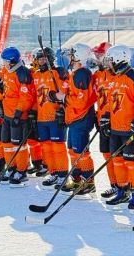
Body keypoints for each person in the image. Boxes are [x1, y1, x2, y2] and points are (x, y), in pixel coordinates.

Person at [100, 44, 134, 211]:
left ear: (118, 59)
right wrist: (106, 116)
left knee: (133, 163)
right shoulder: (113, 78)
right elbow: (111, 102)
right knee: (117, 162)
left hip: (131, 129)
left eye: (110, 60)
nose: (108, 63)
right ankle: (123, 191)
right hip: (116, 128)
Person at [50, 43, 97, 196]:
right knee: (73, 151)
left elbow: (82, 101)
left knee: (81, 152)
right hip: (74, 117)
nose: (68, 56)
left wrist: (63, 98)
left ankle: (88, 181)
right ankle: (77, 179)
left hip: (81, 117)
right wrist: (58, 97)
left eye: (71, 54)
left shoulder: (81, 74)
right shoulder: (75, 73)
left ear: (78, 56)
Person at [33, 46, 70, 188]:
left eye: (44, 58)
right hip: (41, 118)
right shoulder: (36, 75)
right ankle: (53, 172)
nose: (41, 61)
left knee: (58, 147)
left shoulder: (59, 72)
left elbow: (66, 91)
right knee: (46, 148)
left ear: (50, 59)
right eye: (40, 59)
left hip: (55, 117)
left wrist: (62, 109)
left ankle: (62, 175)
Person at [0, 47, 36, 187]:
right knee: (6, 143)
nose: (3, 63)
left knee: (19, 145)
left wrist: (19, 112)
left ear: (11, 61)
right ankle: (11, 167)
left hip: (18, 116)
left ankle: (22, 171)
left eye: (4, 60)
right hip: (7, 114)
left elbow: (26, 96)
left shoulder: (22, 73)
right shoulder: (6, 71)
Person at [91, 42, 117, 199]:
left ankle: (124, 186)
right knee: (107, 154)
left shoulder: (116, 75)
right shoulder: (97, 75)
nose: (97, 57)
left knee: (118, 157)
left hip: (116, 122)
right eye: (96, 54)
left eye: (100, 54)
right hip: (102, 121)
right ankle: (114, 185)